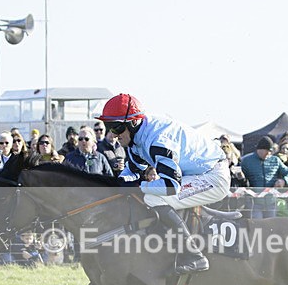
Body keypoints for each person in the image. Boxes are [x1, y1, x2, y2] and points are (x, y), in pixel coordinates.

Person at [97, 93, 230, 274]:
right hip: (197, 174)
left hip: (214, 177)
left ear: (133, 123)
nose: (113, 134)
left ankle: (194, 255)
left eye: (117, 127)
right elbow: (133, 170)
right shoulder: (137, 138)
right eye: (109, 127)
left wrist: (138, 187)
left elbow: (170, 186)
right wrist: (118, 183)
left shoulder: (157, 140)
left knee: (153, 198)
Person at [240, 136, 288, 219]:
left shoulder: (276, 160)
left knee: (270, 228)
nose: (269, 154)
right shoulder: (246, 161)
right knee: (257, 227)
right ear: (260, 149)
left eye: (271, 151)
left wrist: (284, 181)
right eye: (267, 151)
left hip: (271, 202)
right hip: (254, 203)